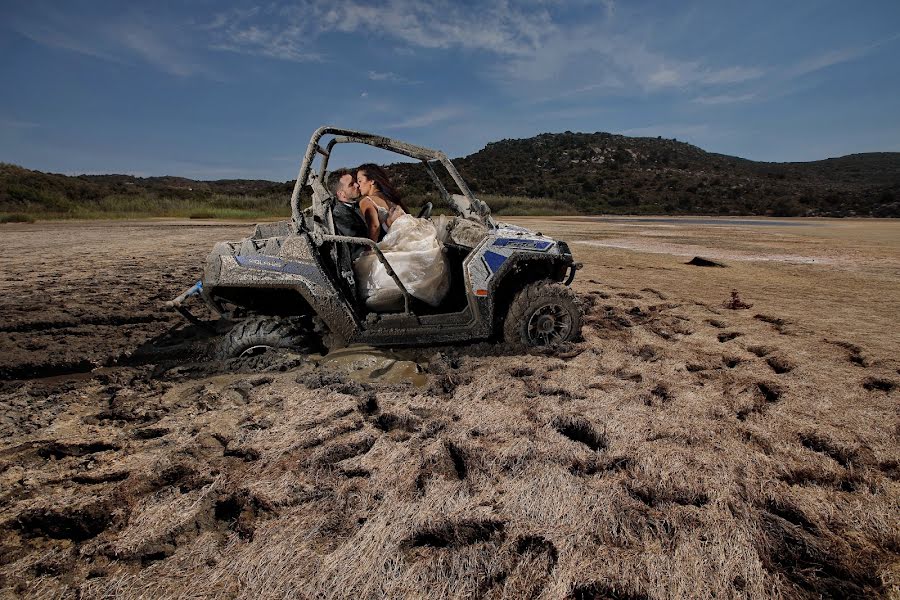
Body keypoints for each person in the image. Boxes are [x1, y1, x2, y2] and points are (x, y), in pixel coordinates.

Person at [356, 163, 408, 242]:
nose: (357, 185)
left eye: (360, 181)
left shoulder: (367, 201)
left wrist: (369, 249)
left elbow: (374, 226)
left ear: (372, 181)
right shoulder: (390, 198)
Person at [327, 169, 368, 260]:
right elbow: (357, 246)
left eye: (355, 182)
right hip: (363, 259)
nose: (357, 185)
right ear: (341, 194)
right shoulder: (340, 214)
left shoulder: (357, 205)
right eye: (351, 184)